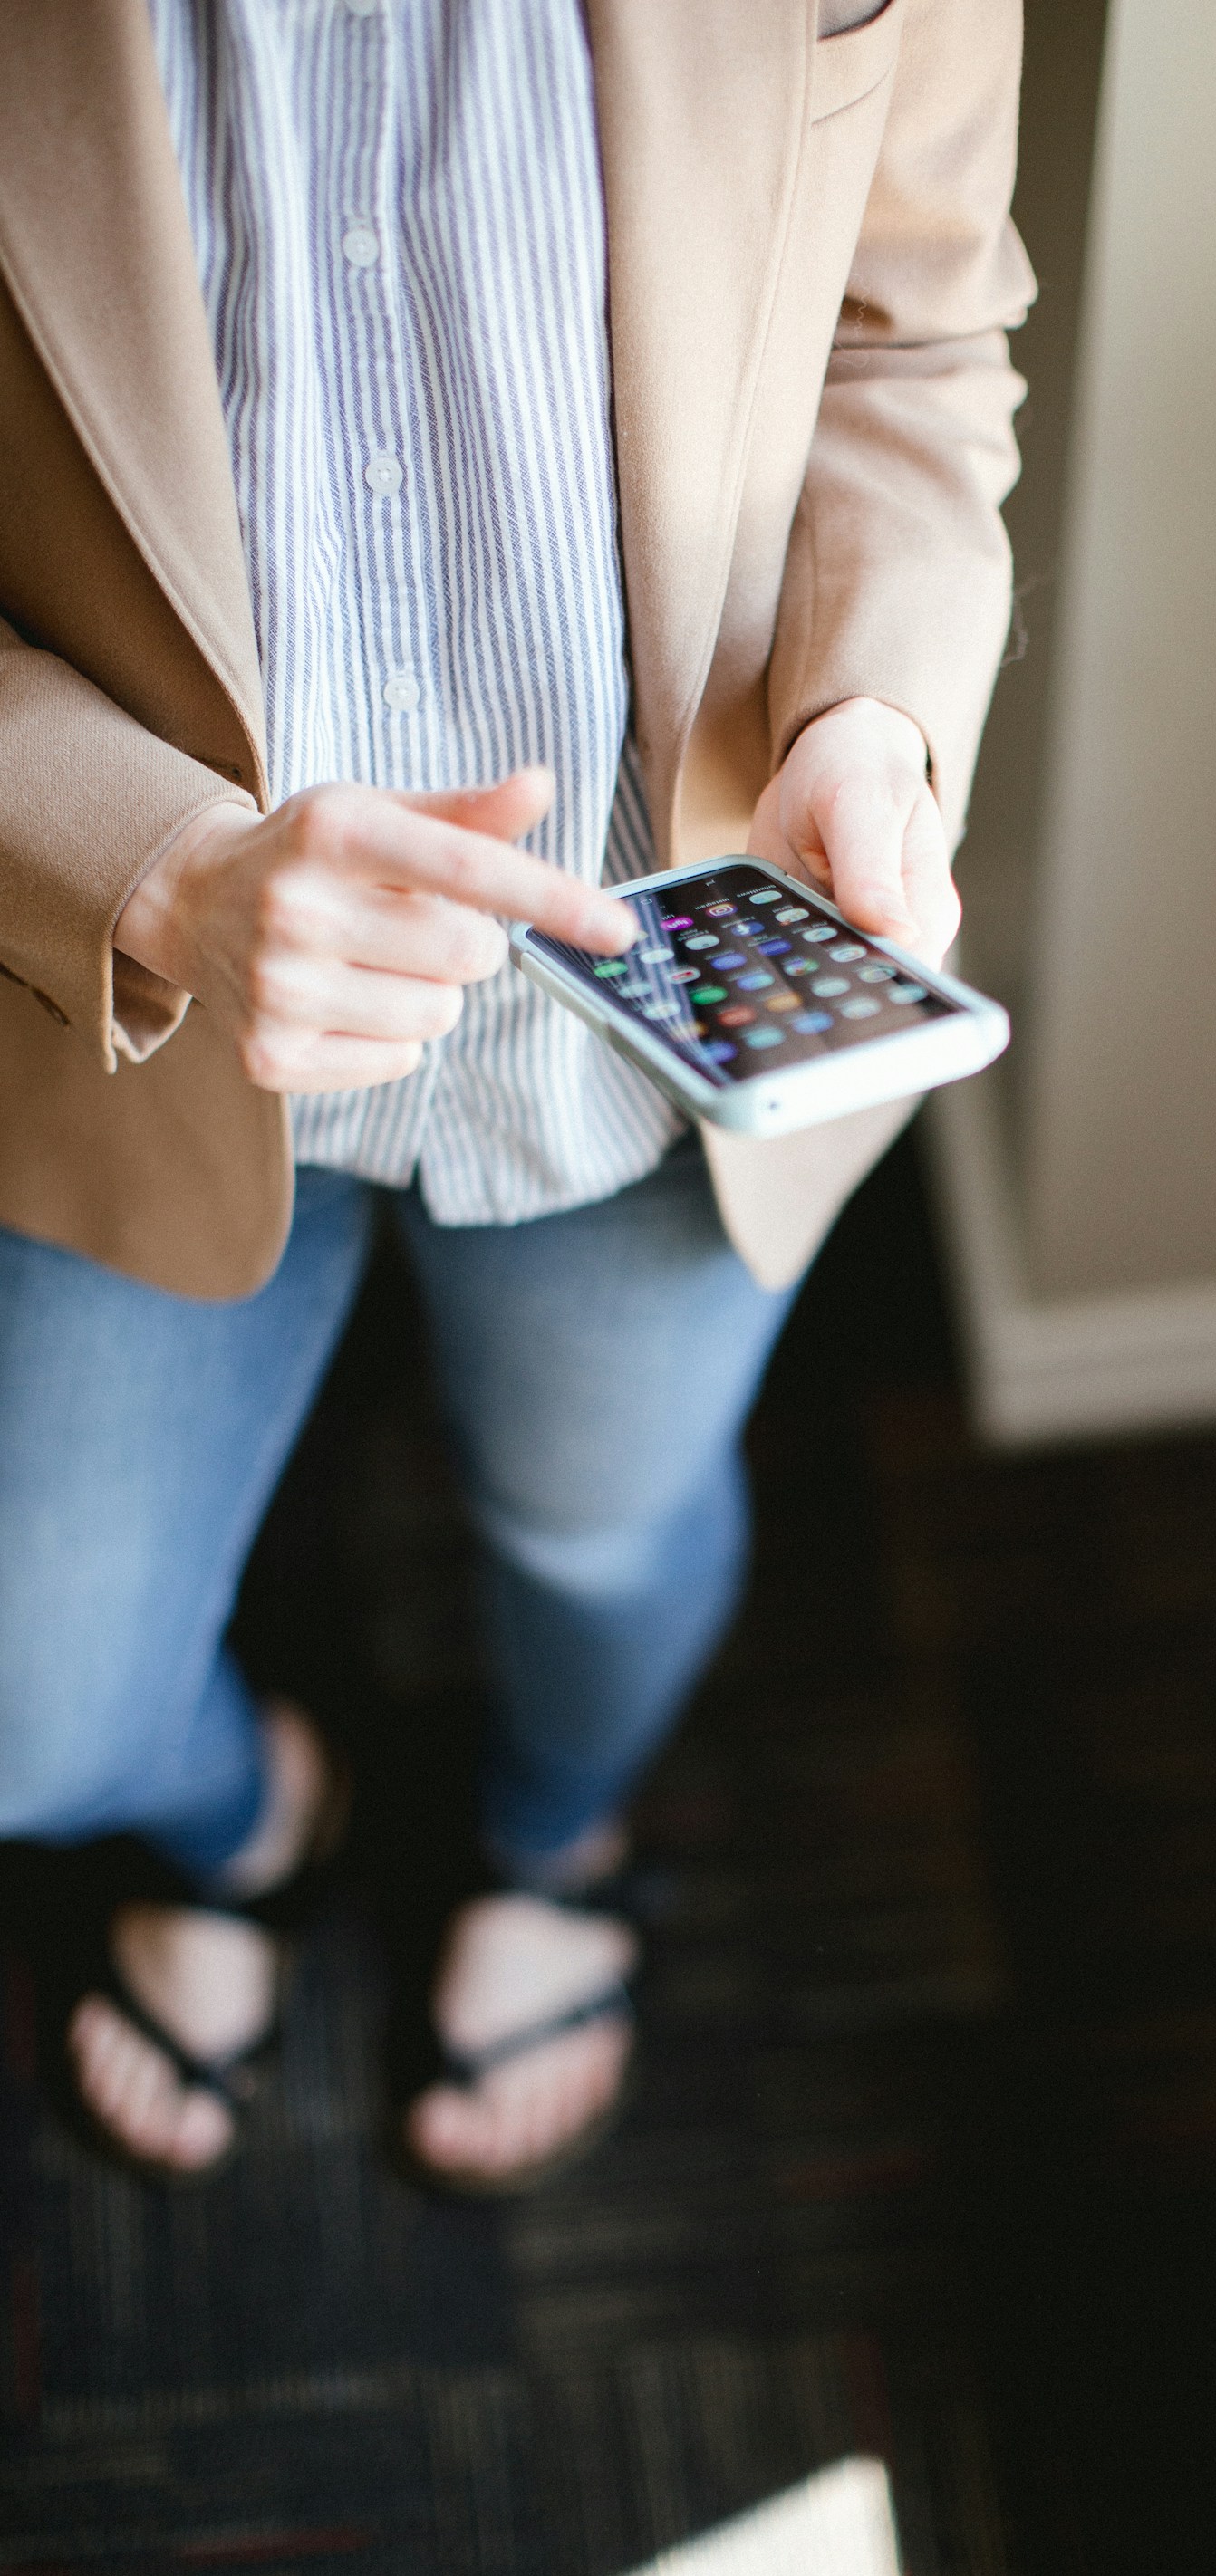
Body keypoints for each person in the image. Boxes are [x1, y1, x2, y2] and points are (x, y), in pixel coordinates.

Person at [0, 0, 1031, 2189]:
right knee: (33, 1702)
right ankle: (248, 1812)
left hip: (655, 1010)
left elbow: (912, 348)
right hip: (135, 997)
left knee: (603, 1536)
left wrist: (872, 703)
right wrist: (152, 870)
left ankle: (552, 1844)